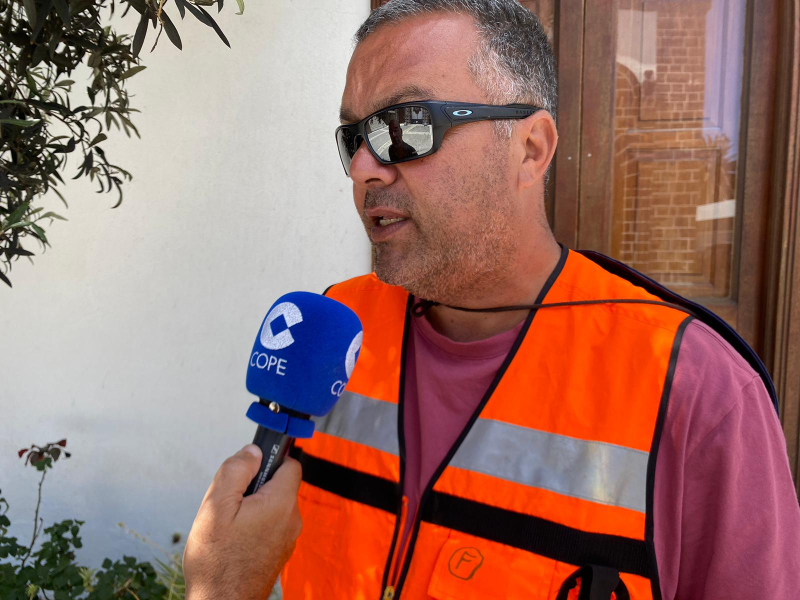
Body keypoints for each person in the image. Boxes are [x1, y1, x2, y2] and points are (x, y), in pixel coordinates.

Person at [183, 1, 800, 599]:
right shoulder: (334, 331)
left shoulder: (700, 392)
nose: (364, 168)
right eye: (354, 138)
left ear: (530, 149)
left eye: (406, 128)